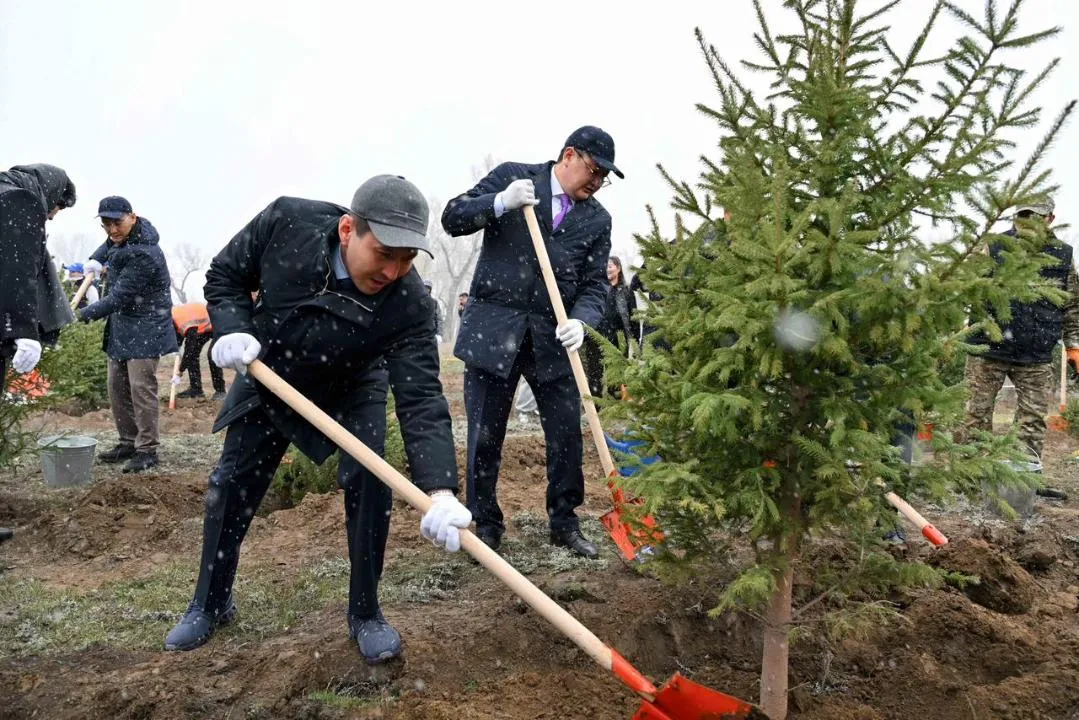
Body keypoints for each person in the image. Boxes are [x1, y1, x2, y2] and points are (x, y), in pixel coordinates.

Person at [163, 175, 471, 663]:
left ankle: (366, 612)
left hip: (353, 384)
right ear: (349, 229)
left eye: (407, 259)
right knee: (231, 484)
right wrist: (234, 329)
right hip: (270, 367)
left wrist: (441, 490)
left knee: (372, 483)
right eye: (385, 253)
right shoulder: (289, 222)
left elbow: (421, 398)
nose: (393, 271)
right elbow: (225, 275)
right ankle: (210, 602)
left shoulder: (410, 303)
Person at [442, 125, 622, 559]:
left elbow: (597, 284)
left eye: (605, 177)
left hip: (552, 340)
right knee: (485, 436)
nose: (597, 182)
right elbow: (453, 217)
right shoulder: (514, 178)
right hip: (494, 332)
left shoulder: (597, 220)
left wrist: (582, 320)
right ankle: (485, 523)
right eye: (594, 170)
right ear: (569, 155)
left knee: (566, 436)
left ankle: (564, 522)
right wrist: (499, 203)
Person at [962, 197, 1079, 473]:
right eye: (1023, 216)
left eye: (1036, 217)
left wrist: (1073, 346)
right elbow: (968, 285)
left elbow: (1072, 305)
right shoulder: (993, 246)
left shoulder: (1063, 254)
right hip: (988, 348)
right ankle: (970, 475)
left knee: (1033, 418)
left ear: (1050, 219)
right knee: (974, 415)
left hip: (1036, 352)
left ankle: (1023, 477)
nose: (1028, 222)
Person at [0, 163, 77, 545]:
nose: (52, 214)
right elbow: (17, 269)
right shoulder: (19, 199)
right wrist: (24, 331)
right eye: (58, 207)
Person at [78, 196, 177, 473]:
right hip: (123, 328)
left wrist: (80, 316)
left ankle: (147, 449)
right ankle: (128, 441)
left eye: (117, 223)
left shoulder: (145, 253)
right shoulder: (122, 238)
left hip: (147, 329)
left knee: (140, 389)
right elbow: (110, 244)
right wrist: (96, 260)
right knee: (117, 388)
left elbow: (119, 297)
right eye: (106, 224)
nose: (112, 230)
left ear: (133, 216)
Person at [171, 301, 226, 400]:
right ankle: (196, 389)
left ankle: (220, 391)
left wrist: (180, 370)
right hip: (204, 327)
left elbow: (189, 350)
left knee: (212, 355)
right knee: (192, 356)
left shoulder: (184, 321)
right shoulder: (175, 318)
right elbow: (181, 342)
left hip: (220, 324)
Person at [423, 279, 446, 344]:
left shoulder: (434, 303)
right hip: (419, 333)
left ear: (430, 290)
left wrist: (439, 334)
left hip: (431, 333)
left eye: (428, 288)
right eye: (425, 287)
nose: (426, 290)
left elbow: (439, 319)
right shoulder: (416, 302)